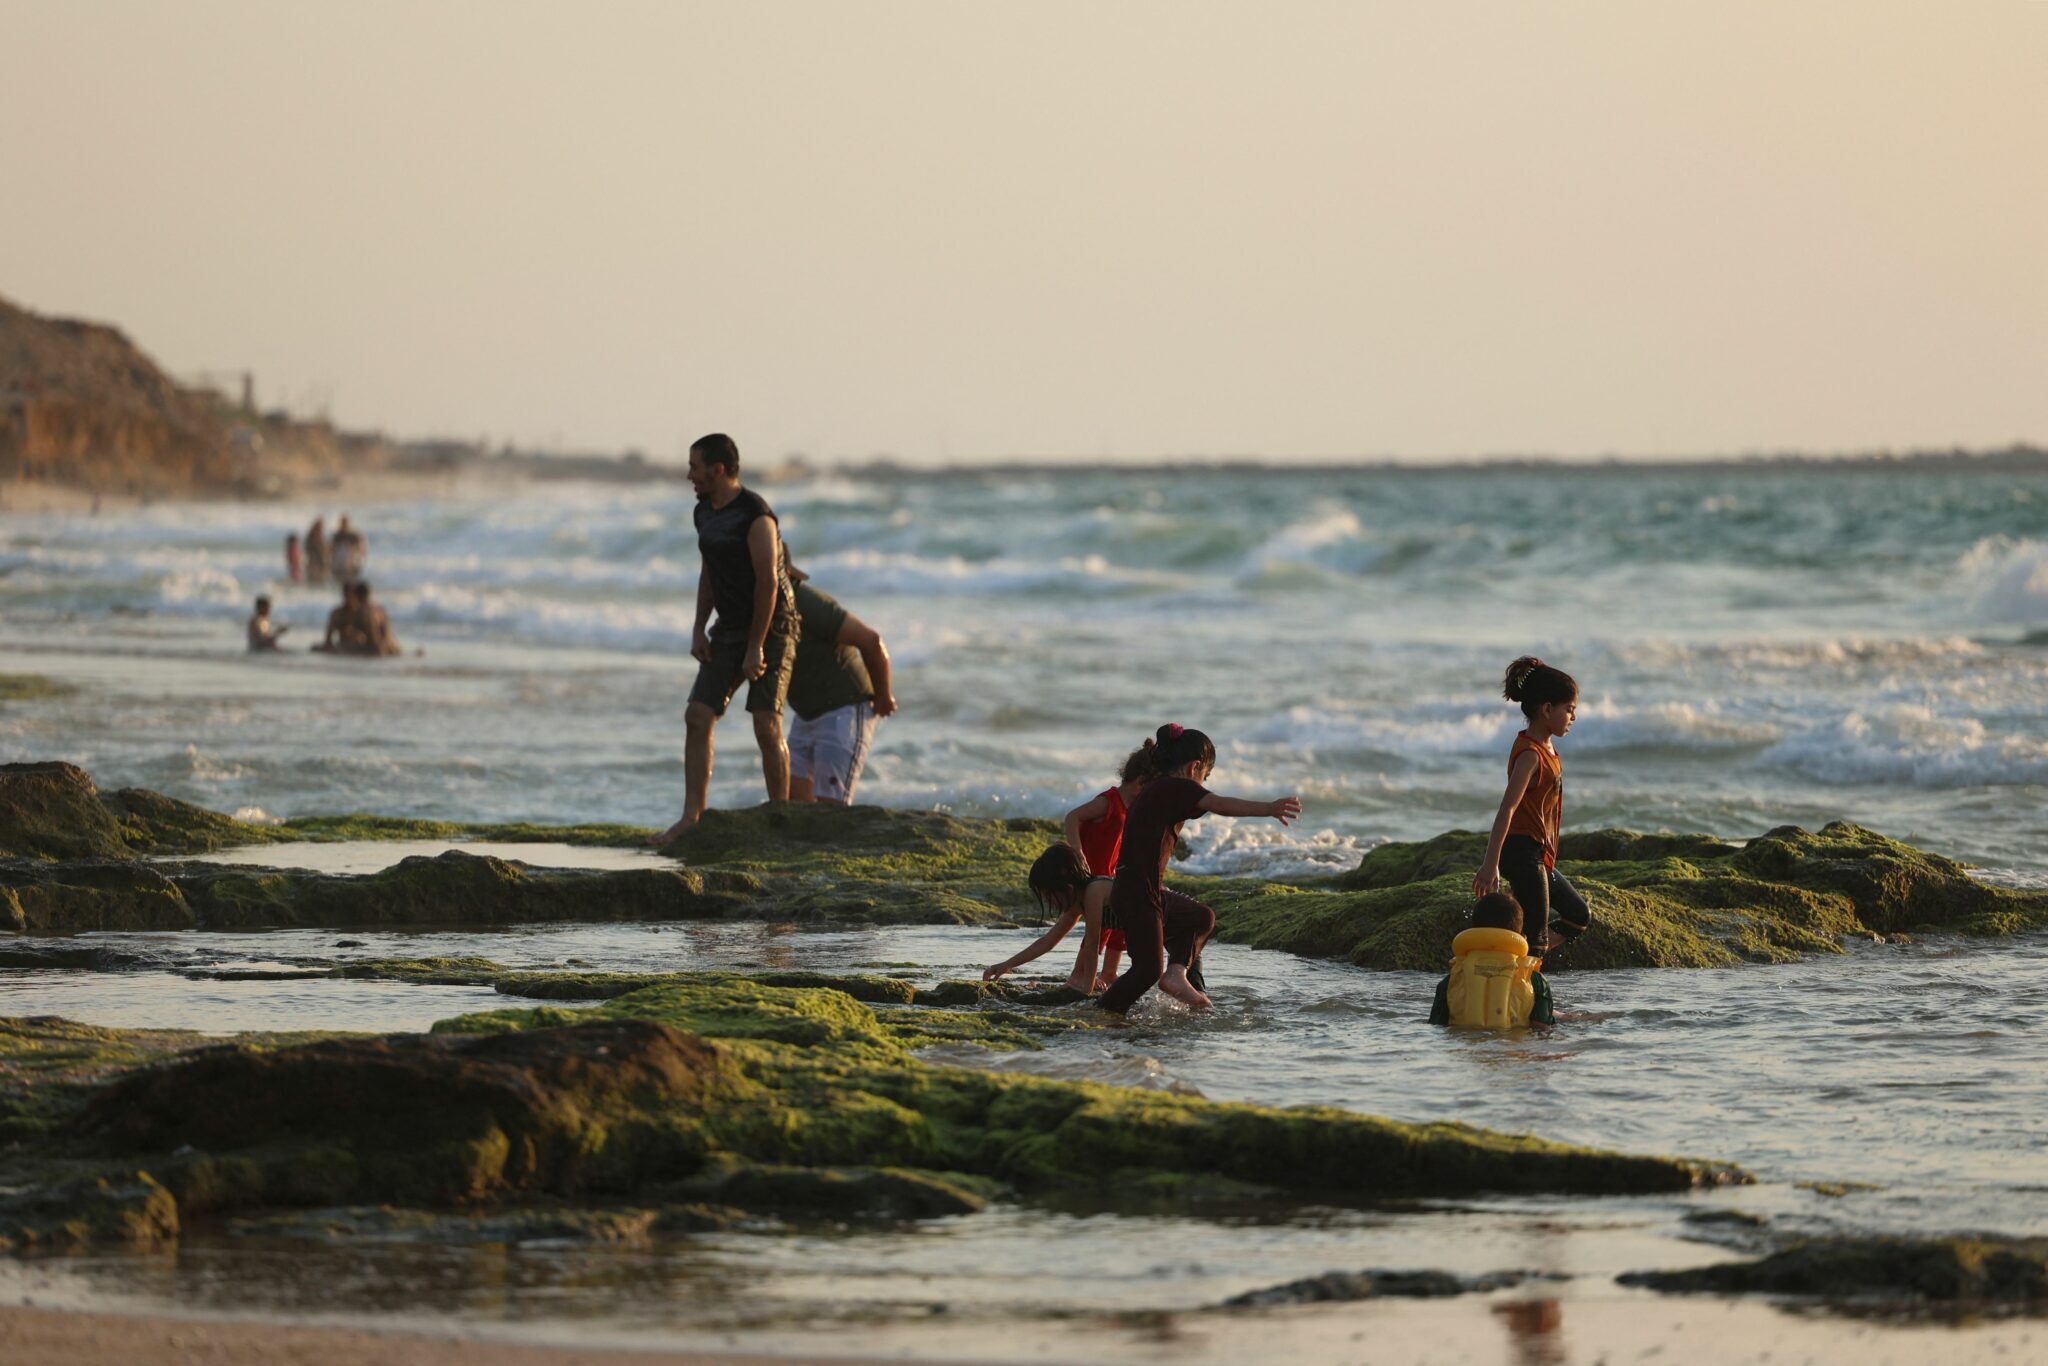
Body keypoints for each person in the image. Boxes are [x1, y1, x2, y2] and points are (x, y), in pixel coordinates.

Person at [652, 433, 800, 843]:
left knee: (766, 724)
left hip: (774, 625)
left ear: (719, 470)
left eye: (695, 467)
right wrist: (699, 627)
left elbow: (768, 585)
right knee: (697, 715)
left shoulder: (756, 516)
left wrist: (755, 646)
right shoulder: (703, 512)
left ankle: (779, 821)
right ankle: (691, 819)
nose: (688, 475)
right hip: (730, 626)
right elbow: (709, 573)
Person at [1096, 725, 1301, 1014]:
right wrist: (1268, 808)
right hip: (1138, 893)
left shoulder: (1156, 787)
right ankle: (1102, 1011)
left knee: (1200, 918)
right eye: (1205, 776)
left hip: (1142, 889)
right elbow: (1219, 803)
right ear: (1195, 767)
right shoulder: (1176, 786)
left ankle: (1176, 973)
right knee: (1147, 970)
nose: (1203, 784)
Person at [1473, 656, 1591, 953]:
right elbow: (1507, 809)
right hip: (1521, 852)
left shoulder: (1547, 748)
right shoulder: (1530, 755)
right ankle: (1523, 985)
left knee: (1578, 915)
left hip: (1538, 854)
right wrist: (1491, 865)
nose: (1573, 717)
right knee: (1536, 935)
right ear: (1547, 709)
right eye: (1569, 710)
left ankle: (1515, 959)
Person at [783, 562, 895, 804]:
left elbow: (871, 641)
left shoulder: (806, 603)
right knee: (793, 805)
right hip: (805, 713)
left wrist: (884, 696)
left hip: (845, 708)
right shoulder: (753, 609)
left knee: (830, 806)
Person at [1060, 735, 1165, 984]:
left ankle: (1108, 973)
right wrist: (1078, 853)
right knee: (1099, 930)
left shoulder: (1132, 811)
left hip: (1112, 878)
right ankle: (1080, 973)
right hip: (1092, 877)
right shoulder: (1108, 802)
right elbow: (1072, 817)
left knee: (1119, 926)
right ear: (1141, 783)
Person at [983, 843, 1116, 993]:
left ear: (1065, 884)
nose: (1048, 901)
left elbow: (1092, 943)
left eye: (1048, 894)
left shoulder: (1094, 891)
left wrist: (1087, 991)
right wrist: (1006, 965)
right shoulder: (1077, 904)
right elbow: (1047, 941)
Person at [1428, 891, 1556, 1027]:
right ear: (1521, 936)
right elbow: (1541, 1030)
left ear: (1475, 931)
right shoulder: (1535, 980)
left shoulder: (1452, 979)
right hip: (1510, 1045)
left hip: (1466, 1046)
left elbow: (1436, 1027)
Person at [329, 514, 367, 585]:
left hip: (351, 565)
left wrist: (358, 556)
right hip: (339, 565)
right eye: (343, 523)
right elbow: (330, 550)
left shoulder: (354, 536)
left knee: (350, 583)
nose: (344, 525)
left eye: (345, 523)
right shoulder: (337, 536)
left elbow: (362, 548)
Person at [304, 517, 330, 585]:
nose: (321, 529)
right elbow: (309, 552)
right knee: (314, 583)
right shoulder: (311, 538)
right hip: (314, 564)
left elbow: (326, 552)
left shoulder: (322, 538)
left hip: (322, 564)